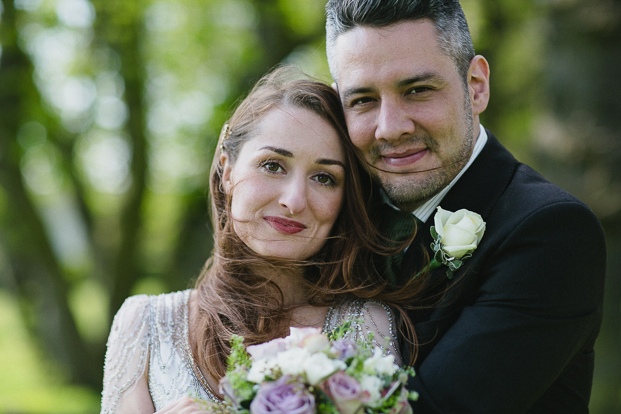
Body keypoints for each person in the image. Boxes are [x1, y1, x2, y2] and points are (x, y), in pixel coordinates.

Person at [325, 1, 606, 413]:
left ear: (475, 85)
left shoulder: (550, 231)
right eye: (363, 100)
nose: (391, 127)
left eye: (417, 90)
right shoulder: (325, 214)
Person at [100, 67, 424, 413]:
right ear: (227, 171)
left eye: (324, 177)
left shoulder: (366, 325)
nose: (294, 200)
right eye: (273, 166)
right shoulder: (146, 324)